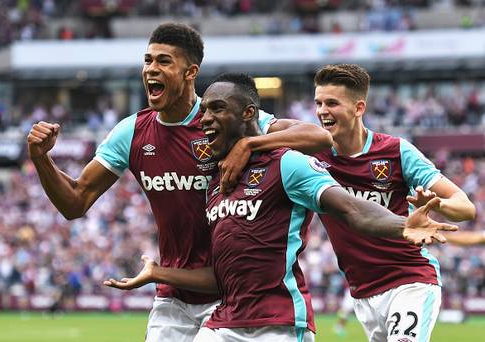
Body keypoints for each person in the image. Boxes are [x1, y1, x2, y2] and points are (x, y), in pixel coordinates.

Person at [26, 23, 333, 342]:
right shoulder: (131, 133)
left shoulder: (222, 119)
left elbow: (318, 137)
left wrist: (248, 144)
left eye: (163, 61)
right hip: (174, 296)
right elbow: (75, 201)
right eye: (147, 61)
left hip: (230, 294)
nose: (151, 69)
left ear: (190, 72)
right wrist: (40, 158)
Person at [104, 73, 457, 342]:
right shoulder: (217, 183)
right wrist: (158, 272)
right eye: (205, 110)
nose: (205, 119)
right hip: (225, 322)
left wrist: (402, 225)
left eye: (217, 109)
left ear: (248, 113)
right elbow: (222, 276)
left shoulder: (286, 163)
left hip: (279, 324)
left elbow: (352, 209)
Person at [312, 64, 476, 342]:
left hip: (409, 279)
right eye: (318, 103)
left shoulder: (395, 151)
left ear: (358, 108)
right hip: (362, 293)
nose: (322, 111)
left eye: (332, 103)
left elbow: (466, 207)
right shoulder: (311, 158)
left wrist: (436, 203)